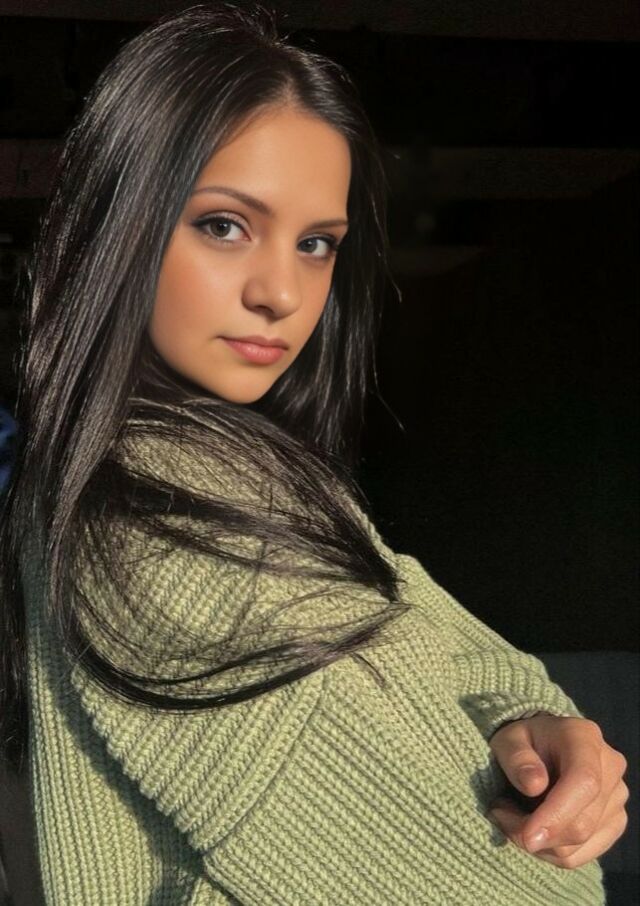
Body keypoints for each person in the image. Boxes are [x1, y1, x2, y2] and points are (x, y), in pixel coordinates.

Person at [0, 3, 628, 904]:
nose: (283, 293)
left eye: (315, 243)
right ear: (117, 224)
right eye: (224, 224)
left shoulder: (241, 479)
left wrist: (526, 718)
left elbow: (434, 627)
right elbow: (520, 891)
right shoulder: (157, 524)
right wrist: (557, 825)